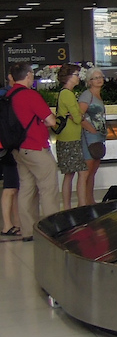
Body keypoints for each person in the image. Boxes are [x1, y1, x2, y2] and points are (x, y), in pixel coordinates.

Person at [6, 62, 58, 241]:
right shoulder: (30, 95)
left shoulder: (9, 95)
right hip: (36, 147)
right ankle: (52, 232)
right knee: (48, 189)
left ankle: (28, 231)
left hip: (18, 149)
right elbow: (51, 121)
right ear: (28, 75)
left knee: (26, 189)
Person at [54, 64, 88, 209]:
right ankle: (82, 205)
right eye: (76, 74)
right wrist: (80, 115)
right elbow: (77, 117)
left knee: (69, 174)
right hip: (71, 138)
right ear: (68, 77)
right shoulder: (67, 94)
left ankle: (67, 207)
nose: (78, 77)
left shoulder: (64, 93)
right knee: (82, 171)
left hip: (65, 137)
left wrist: (77, 115)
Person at [78, 67, 107, 205]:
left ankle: (90, 200)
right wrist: (91, 129)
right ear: (89, 81)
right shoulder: (86, 95)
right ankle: (83, 202)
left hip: (99, 136)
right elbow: (78, 115)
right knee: (87, 171)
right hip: (89, 137)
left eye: (100, 76)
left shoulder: (98, 96)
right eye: (95, 78)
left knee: (93, 170)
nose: (99, 79)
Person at [0, 75, 20, 237]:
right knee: (10, 186)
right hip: (10, 146)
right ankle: (8, 224)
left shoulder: (6, 96)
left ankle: (15, 223)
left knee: (13, 187)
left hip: (5, 146)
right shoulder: (10, 97)